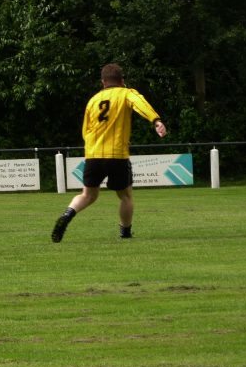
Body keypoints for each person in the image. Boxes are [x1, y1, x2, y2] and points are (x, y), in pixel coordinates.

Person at [52, 63, 167, 242]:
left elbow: (86, 130)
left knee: (88, 195)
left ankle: (68, 214)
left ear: (103, 82)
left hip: (94, 154)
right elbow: (140, 104)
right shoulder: (127, 93)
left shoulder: (93, 100)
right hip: (117, 155)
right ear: (122, 80)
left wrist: (91, 149)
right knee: (125, 196)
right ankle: (125, 232)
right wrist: (156, 120)